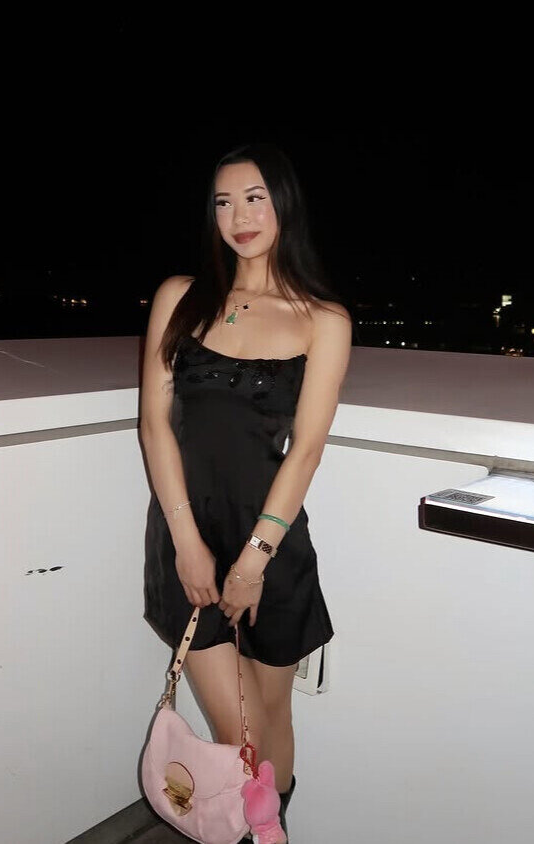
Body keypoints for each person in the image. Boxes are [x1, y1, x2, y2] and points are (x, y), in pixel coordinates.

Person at [140, 142, 352, 841]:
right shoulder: (180, 298)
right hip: (189, 540)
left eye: (255, 197)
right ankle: (259, 829)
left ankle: (270, 828)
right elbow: (154, 426)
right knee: (242, 736)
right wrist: (187, 544)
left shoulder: (322, 319)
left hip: (272, 546)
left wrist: (256, 558)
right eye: (224, 202)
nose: (240, 216)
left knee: (274, 719)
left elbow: (307, 449)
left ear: (284, 203)